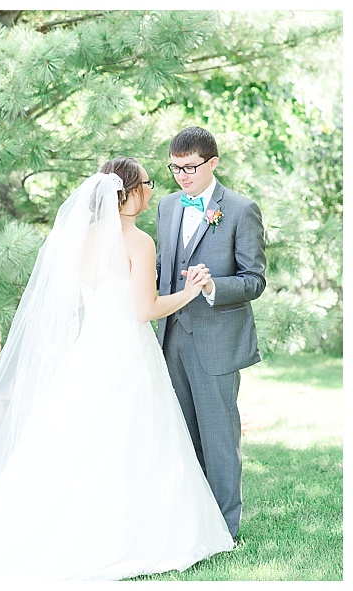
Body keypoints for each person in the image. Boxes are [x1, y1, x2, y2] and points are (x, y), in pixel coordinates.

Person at [0, 158, 234, 581]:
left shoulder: (83, 237)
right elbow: (146, 311)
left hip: (91, 351)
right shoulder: (138, 242)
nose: (152, 189)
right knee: (129, 438)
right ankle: (126, 531)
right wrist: (192, 291)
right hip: (127, 352)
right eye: (147, 182)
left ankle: (66, 522)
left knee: (79, 443)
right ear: (129, 192)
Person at [156, 126, 266, 540]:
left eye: (190, 167)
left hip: (217, 340)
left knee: (219, 438)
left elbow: (254, 279)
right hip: (170, 338)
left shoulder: (240, 209)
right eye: (175, 168)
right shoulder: (167, 207)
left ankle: (224, 530)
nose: (182, 176)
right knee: (180, 434)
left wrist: (213, 285)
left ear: (213, 163)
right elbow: (165, 266)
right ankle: (189, 523)